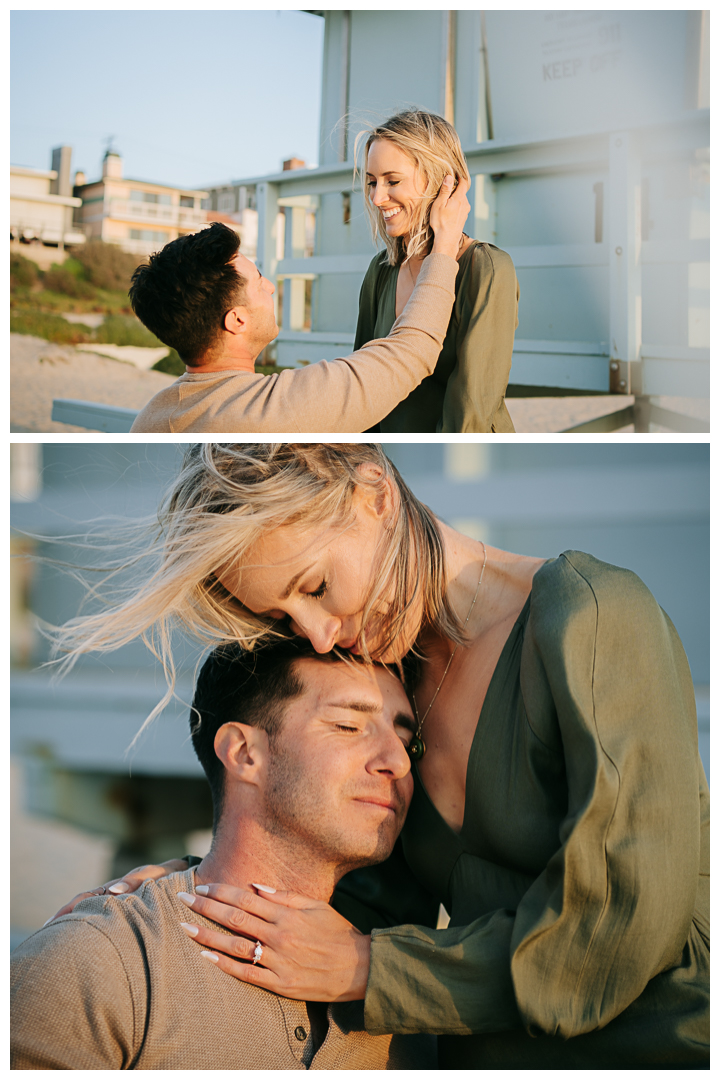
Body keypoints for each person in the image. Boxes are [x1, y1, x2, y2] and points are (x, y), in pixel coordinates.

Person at [47, 444, 709, 1069]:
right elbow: (369, 900)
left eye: (315, 586)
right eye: (284, 619)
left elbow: (624, 925)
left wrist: (370, 968)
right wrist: (211, 886)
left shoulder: (589, 614)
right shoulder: (391, 684)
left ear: (374, 491)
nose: (319, 634)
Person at [11, 638, 434, 1070]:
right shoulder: (100, 962)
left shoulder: (411, 1006)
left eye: (408, 743)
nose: (399, 762)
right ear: (244, 752)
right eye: (349, 726)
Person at [127, 173, 469, 433]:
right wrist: (444, 245)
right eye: (260, 282)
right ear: (236, 321)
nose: (272, 287)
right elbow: (411, 353)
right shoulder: (276, 410)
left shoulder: (151, 418)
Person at [355, 110, 519, 433]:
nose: (376, 197)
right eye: (372, 182)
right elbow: (359, 391)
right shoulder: (381, 271)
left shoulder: (486, 269)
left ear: (441, 180)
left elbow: (470, 414)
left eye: (393, 181)